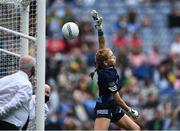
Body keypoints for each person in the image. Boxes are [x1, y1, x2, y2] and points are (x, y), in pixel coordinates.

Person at [90, 10, 140, 130]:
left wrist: (100, 29)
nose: (114, 57)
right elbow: (118, 99)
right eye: (112, 56)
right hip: (104, 108)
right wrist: (130, 110)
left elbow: (101, 44)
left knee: (136, 129)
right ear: (106, 62)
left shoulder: (104, 63)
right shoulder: (107, 75)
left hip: (113, 106)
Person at [0, 55, 36, 130]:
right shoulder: (26, 85)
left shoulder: (5, 79)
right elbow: (15, 103)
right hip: (9, 124)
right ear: (32, 68)